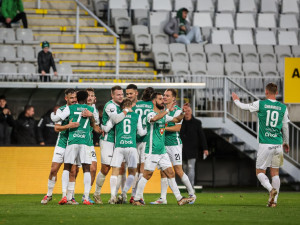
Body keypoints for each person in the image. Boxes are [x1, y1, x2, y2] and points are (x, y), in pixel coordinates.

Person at [232, 83, 290, 208]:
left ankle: (270, 190)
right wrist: (286, 142)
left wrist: (236, 100)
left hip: (265, 144)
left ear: (266, 92)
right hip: (278, 145)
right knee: (275, 173)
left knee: (259, 172)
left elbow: (243, 107)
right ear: (277, 92)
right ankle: (273, 201)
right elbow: (285, 127)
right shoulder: (283, 108)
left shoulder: (261, 104)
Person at [133, 92, 193, 206]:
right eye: (160, 99)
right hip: (152, 150)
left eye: (163, 98)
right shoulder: (150, 114)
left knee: (170, 173)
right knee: (147, 175)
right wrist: (167, 110)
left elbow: (176, 120)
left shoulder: (164, 115)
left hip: (162, 151)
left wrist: (183, 112)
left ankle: (180, 198)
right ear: (154, 101)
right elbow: (154, 119)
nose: (163, 100)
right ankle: (136, 199)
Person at [51, 90, 97, 205]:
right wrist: (91, 116)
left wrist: (53, 114)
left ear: (77, 98)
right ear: (86, 98)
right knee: (86, 169)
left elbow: (56, 119)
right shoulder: (90, 109)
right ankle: (86, 197)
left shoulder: (70, 108)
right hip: (85, 142)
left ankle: (64, 196)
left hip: (72, 141)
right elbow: (95, 123)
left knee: (67, 167)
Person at [151, 89, 196, 205]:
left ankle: (192, 193)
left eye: (167, 96)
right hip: (163, 144)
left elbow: (177, 128)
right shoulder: (163, 110)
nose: (164, 97)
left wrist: (162, 128)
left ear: (173, 98)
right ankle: (163, 198)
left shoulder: (177, 111)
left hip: (174, 144)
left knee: (178, 170)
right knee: (163, 171)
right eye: (164, 95)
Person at [103, 98, 146, 204]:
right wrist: (148, 129)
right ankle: (124, 193)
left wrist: (101, 126)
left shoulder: (117, 116)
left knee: (115, 172)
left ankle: (113, 196)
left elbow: (106, 129)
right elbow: (141, 133)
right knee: (132, 172)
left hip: (119, 147)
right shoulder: (137, 116)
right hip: (131, 147)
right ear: (131, 106)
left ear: (122, 107)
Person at [41, 89, 80, 205]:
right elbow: (56, 128)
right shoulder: (61, 110)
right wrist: (69, 126)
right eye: (71, 98)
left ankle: (70, 197)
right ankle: (49, 194)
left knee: (73, 171)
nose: (74, 100)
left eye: (75, 97)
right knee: (54, 169)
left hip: (74, 143)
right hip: (62, 143)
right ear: (66, 98)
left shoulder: (80, 109)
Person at [93, 86, 131, 204]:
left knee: (120, 168)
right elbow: (117, 118)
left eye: (121, 94)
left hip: (119, 140)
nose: (121, 96)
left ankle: (114, 196)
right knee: (106, 168)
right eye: (118, 94)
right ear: (112, 95)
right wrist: (126, 111)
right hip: (108, 140)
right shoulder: (110, 106)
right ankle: (97, 194)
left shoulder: (121, 105)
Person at [127, 85, 154, 203]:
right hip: (146, 139)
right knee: (142, 169)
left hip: (134, 139)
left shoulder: (135, 105)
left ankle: (133, 194)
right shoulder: (152, 106)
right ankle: (139, 195)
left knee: (134, 168)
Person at [180, 105, 208, 188]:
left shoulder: (197, 122)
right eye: (185, 111)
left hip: (193, 149)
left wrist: (205, 148)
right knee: (184, 169)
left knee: (191, 167)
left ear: (191, 112)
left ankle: (190, 187)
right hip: (182, 149)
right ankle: (186, 185)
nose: (187, 113)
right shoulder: (180, 122)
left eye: (188, 111)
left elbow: (202, 136)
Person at [84, 88, 101, 203]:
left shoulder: (94, 110)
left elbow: (95, 127)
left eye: (92, 95)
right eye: (88, 95)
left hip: (89, 143)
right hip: (77, 142)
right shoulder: (79, 107)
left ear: (95, 98)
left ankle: (86, 195)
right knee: (73, 170)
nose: (90, 97)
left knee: (93, 169)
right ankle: (69, 195)